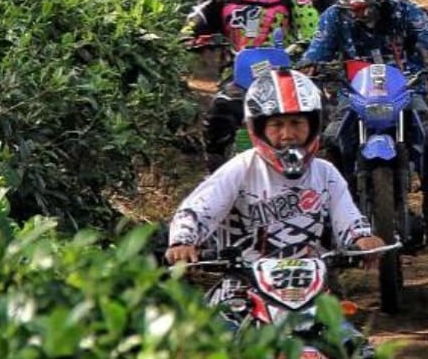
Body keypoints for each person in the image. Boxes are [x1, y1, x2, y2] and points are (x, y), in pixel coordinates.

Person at [299, 0, 428, 243]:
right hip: (353, 96)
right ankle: (338, 207)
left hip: (406, 92)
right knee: (332, 140)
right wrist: (310, 65)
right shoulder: (333, 17)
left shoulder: (402, 11)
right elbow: (317, 50)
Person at [165, 67, 386, 267]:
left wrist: (361, 237)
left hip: (311, 277)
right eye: (277, 125)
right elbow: (200, 207)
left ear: (313, 125)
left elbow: (347, 214)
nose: (287, 134)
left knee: (334, 301)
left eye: (296, 123)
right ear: (259, 128)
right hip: (244, 280)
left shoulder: (325, 172)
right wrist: (183, 241)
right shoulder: (241, 168)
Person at [181, 0, 301, 171]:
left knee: (319, 117)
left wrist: (308, 46)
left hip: (287, 75)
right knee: (217, 119)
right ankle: (218, 180)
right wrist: (193, 40)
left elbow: (314, 26)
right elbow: (190, 28)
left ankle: (325, 180)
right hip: (236, 77)